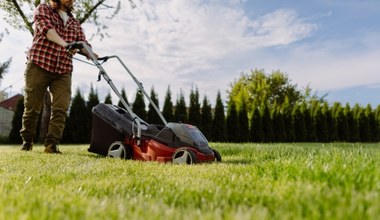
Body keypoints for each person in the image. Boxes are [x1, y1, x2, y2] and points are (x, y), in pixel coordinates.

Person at [20, 0, 97, 153]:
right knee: (33, 108)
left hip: (63, 69)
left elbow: (82, 43)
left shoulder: (74, 22)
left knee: (61, 108)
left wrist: (91, 53)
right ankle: (27, 142)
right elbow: (48, 31)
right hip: (39, 64)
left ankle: (51, 145)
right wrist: (66, 44)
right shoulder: (43, 9)